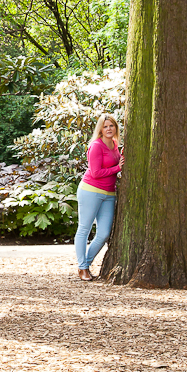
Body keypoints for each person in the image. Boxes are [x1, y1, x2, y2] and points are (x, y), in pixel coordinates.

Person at [75, 114, 123, 281]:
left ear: (115, 128)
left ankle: (86, 263)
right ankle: (82, 268)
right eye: (105, 126)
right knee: (84, 229)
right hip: (91, 190)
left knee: (104, 233)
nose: (109, 129)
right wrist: (117, 168)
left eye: (111, 126)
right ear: (100, 129)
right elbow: (95, 173)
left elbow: (117, 162)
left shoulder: (115, 145)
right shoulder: (96, 146)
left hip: (109, 194)